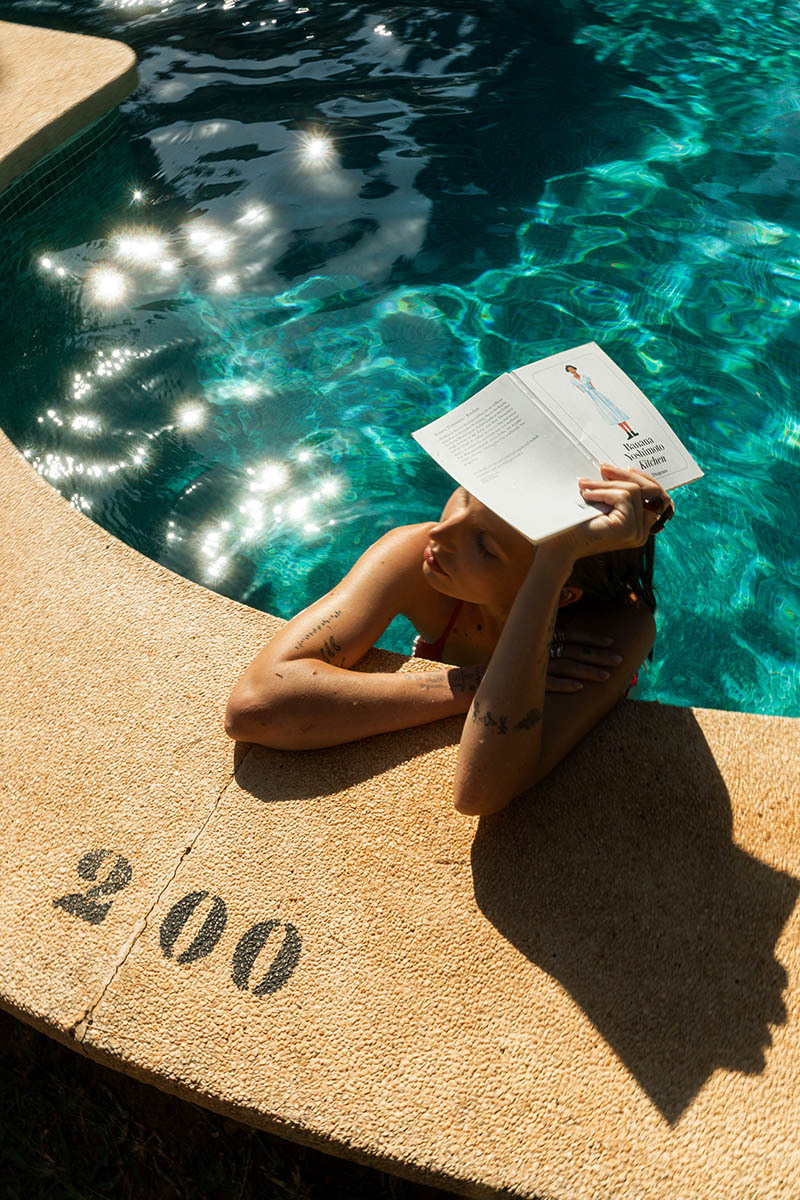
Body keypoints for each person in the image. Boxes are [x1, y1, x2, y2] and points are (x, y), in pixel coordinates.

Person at [224, 463, 674, 817]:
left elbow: (481, 791)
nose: (440, 533)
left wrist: (553, 562)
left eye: (485, 546)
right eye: (463, 497)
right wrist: (474, 684)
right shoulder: (415, 552)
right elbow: (255, 707)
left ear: (564, 590)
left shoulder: (616, 628)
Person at [565, 364, 639, 440]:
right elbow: (580, 389)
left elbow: (592, 385)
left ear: (574, 368)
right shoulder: (572, 380)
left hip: (597, 394)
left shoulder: (584, 376)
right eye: (569, 370)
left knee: (615, 412)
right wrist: (587, 395)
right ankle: (628, 433)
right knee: (610, 415)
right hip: (590, 397)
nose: (571, 371)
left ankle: (632, 431)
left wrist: (596, 391)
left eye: (572, 369)